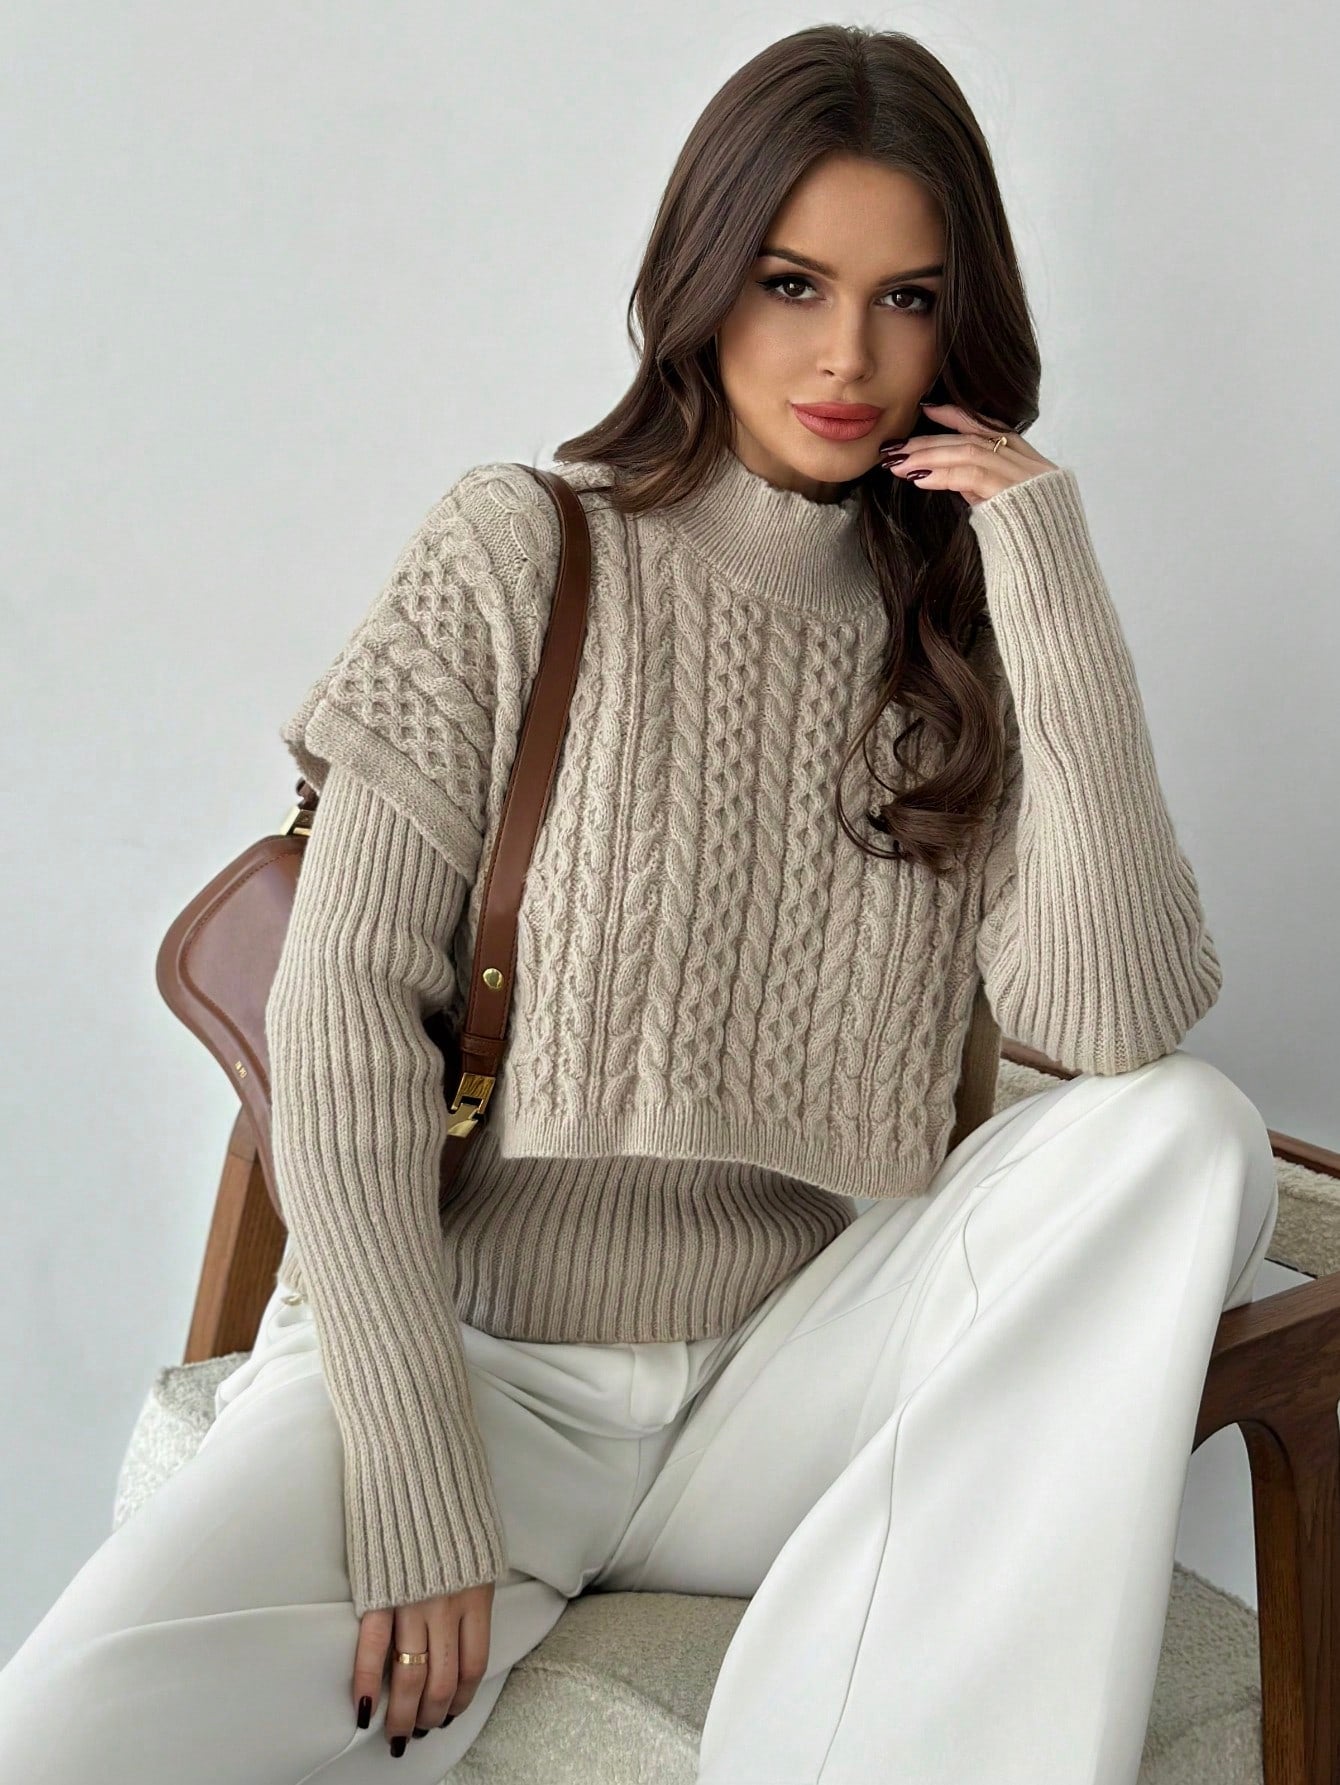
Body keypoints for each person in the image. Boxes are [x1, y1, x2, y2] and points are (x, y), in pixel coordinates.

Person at [0, 23, 1279, 1785]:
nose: (847, 356)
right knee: (62, 1741)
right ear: (703, 276)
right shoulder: (520, 547)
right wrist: (418, 1470)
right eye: (791, 283)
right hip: (483, 1370)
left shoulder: (960, 649)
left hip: (788, 1388)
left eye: (907, 300)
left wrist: (1047, 580)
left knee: (1190, 1130)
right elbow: (344, 1022)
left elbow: (1116, 1022)